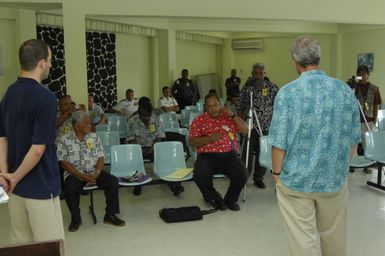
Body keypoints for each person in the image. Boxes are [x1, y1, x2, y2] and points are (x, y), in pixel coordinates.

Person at [268, 35, 360, 256]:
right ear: (318, 58)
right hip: (333, 182)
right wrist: (340, 170)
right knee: (335, 236)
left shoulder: (288, 93)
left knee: (302, 241)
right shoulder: (344, 91)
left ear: (295, 62)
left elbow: (279, 143)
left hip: (296, 182)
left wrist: (277, 174)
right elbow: (353, 140)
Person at [0, 39, 65, 243]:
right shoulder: (46, 98)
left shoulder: (9, 92)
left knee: (22, 246)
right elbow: (38, 150)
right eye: (50, 60)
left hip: (14, 191)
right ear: (41, 63)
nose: (51, 65)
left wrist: (6, 175)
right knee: (50, 246)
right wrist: (15, 177)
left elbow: (2, 138)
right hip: (41, 187)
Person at [57, 111, 125, 232]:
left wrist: (97, 172)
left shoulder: (94, 137)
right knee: (69, 189)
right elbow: (64, 163)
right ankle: (76, 219)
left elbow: (101, 157)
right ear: (77, 126)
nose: (91, 125)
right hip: (75, 174)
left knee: (112, 181)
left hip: (94, 172)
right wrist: (82, 176)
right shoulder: (64, 140)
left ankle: (110, 215)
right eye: (87, 123)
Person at [189, 93, 248, 211]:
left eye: (215, 105)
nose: (213, 109)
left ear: (220, 104)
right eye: (209, 106)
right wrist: (210, 138)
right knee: (199, 174)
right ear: (205, 107)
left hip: (229, 155)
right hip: (207, 156)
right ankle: (214, 198)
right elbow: (192, 141)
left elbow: (245, 130)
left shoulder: (228, 117)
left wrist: (233, 115)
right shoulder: (199, 120)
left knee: (242, 174)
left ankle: (230, 200)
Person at [127, 102, 184, 196]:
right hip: (137, 148)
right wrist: (139, 150)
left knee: (164, 161)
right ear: (139, 113)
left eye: (148, 116)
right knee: (136, 162)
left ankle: (175, 186)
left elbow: (160, 136)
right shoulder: (132, 121)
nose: (146, 119)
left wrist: (152, 147)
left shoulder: (155, 119)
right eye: (143, 116)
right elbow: (130, 139)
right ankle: (138, 184)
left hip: (153, 146)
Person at [239, 62, 279, 188]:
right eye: (255, 73)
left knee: (263, 153)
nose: (258, 76)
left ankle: (258, 178)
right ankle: (243, 176)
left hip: (266, 126)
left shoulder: (272, 87)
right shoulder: (246, 88)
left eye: (260, 73)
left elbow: (278, 106)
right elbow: (240, 105)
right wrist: (241, 123)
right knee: (247, 153)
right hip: (249, 126)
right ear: (252, 74)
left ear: (264, 74)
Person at [355, 65, 382, 158]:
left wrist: (374, 120)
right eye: (359, 73)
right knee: (355, 143)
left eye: (363, 73)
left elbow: (376, 105)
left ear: (367, 75)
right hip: (356, 121)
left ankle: (367, 164)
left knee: (367, 144)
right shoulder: (353, 87)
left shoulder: (374, 89)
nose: (361, 75)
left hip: (369, 120)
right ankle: (355, 163)